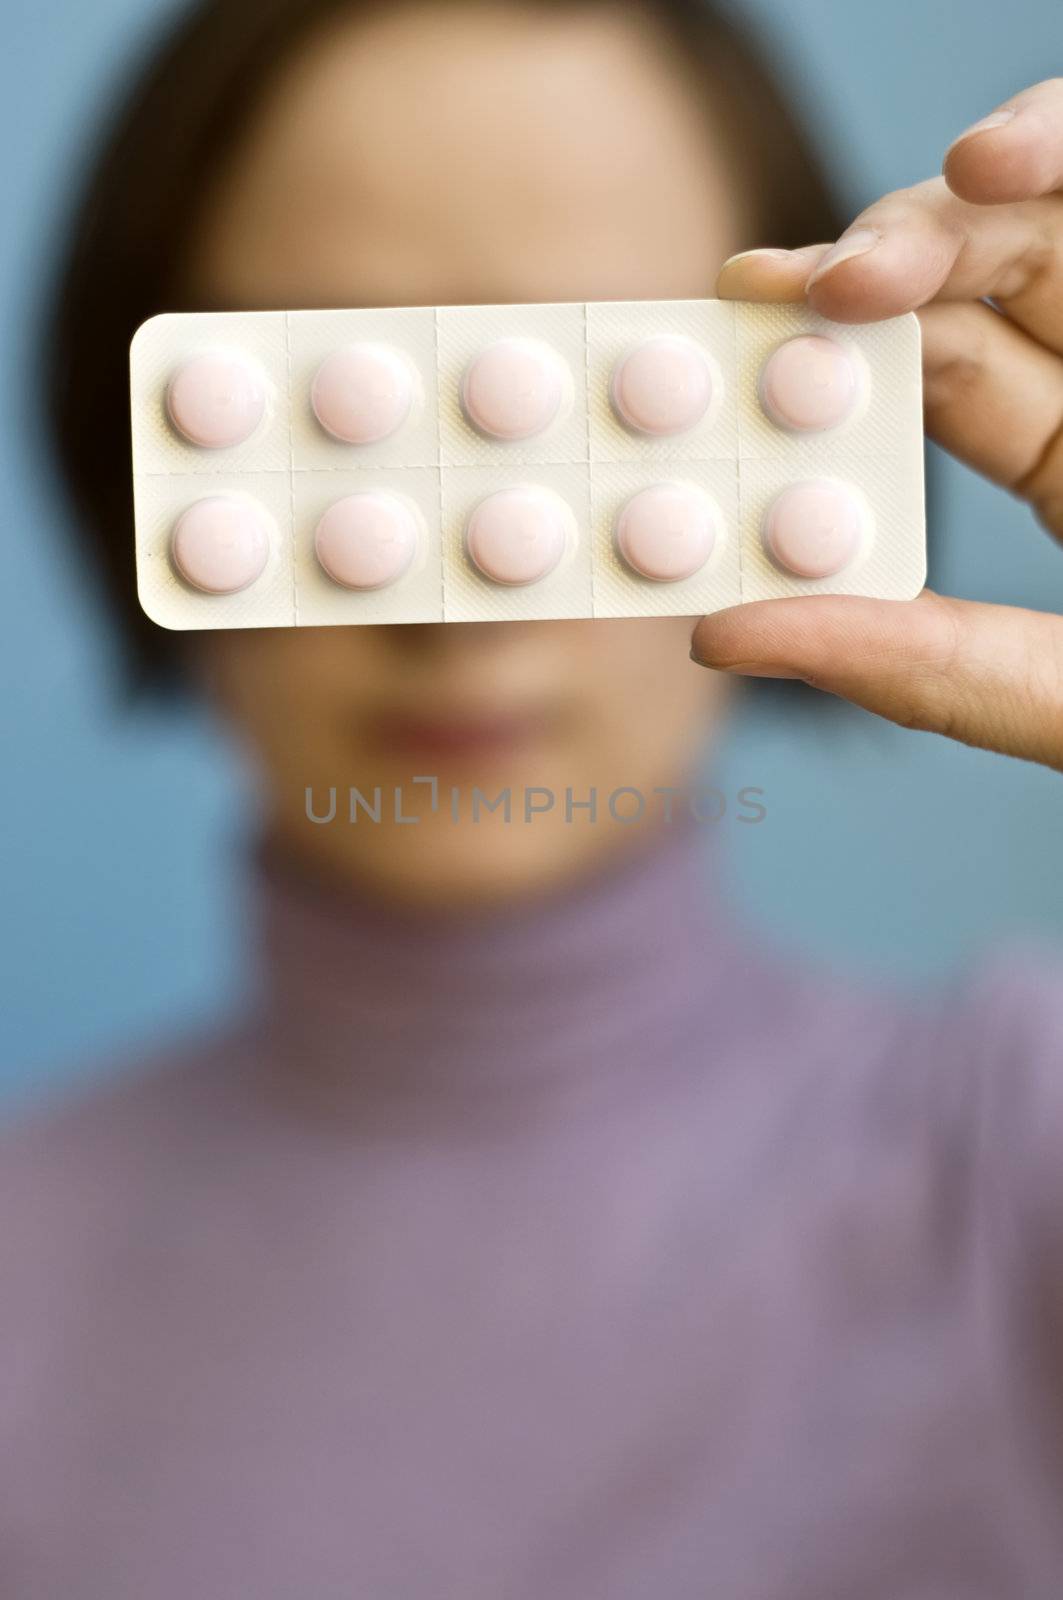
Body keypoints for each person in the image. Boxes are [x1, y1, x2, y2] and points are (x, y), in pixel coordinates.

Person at [2, 0, 1062, 1593]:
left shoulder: (1021, 1155)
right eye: (328, 411)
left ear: (810, 428)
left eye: (606, 404)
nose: (461, 605)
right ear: (134, 437)